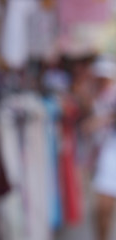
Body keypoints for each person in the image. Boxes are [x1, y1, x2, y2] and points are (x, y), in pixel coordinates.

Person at [84, 55, 116, 240]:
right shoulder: (94, 95)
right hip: (100, 155)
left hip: (110, 154)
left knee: (105, 206)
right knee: (100, 208)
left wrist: (102, 120)